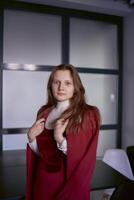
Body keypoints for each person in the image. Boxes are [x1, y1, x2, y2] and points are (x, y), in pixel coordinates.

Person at [25, 64, 100, 200]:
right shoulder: (44, 112)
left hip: (67, 185)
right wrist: (31, 138)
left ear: (75, 87)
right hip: (41, 184)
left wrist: (60, 138)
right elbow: (42, 155)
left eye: (67, 83)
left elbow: (84, 159)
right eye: (56, 82)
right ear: (51, 86)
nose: (61, 87)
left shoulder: (86, 114)